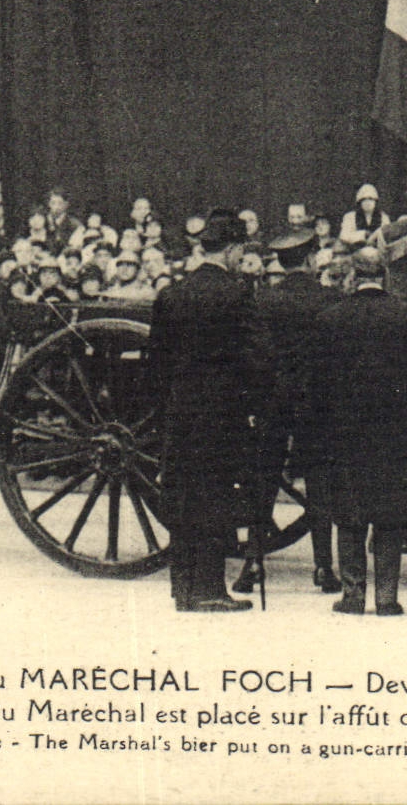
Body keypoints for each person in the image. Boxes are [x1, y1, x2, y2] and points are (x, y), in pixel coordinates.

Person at [145, 208, 269, 613]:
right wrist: (255, 402)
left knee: (182, 497)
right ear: (233, 250)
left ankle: (182, 588)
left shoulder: (172, 295)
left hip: (181, 410)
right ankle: (211, 590)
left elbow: (156, 364)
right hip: (222, 412)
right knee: (216, 497)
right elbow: (256, 360)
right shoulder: (237, 295)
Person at [311, 246, 407, 616]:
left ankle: (352, 595)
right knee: (391, 517)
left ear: (353, 276)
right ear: (385, 276)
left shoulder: (330, 320)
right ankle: (387, 598)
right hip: (397, 437)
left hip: (345, 436)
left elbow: (317, 386)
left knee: (349, 515)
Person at [240, 228, 342, 595]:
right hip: (316, 402)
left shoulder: (264, 301)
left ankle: (252, 563)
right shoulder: (329, 299)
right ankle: (323, 568)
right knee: (319, 483)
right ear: (312, 258)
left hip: (273, 400)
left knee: (263, 479)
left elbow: (255, 357)